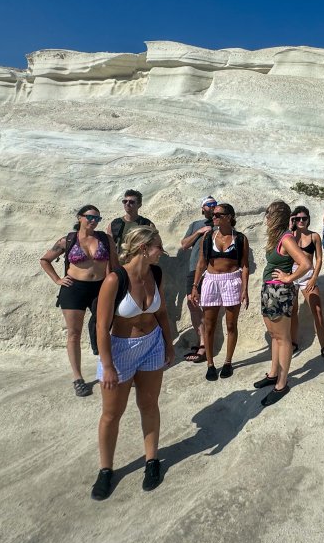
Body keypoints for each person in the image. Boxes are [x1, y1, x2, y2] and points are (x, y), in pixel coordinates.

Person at [90, 225, 176, 500]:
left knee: (149, 405)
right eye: (158, 247)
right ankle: (106, 470)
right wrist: (108, 365)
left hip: (152, 343)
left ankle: (152, 461)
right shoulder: (116, 279)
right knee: (112, 413)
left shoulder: (157, 273)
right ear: (143, 248)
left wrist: (169, 342)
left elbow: (161, 310)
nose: (161, 252)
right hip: (120, 350)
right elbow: (101, 328)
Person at [39, 205, 119, 397]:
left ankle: (109, 369)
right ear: (80, 218)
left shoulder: (105, 239)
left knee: (105, 327)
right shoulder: (68, 240)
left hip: (100, 287)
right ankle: (78, 378)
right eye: (90, 217)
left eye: (97, 219)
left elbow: (114, 264)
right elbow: (45, 260)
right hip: (73, 288)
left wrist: (115, 283)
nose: (93, 221)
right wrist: (58, 279)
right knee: (74, 333)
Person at [254, 201, 315, 406]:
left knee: (283, 337)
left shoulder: (286, 238)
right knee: (274, 336)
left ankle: (281, 383)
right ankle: (273, 373)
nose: (266, 217)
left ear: (277, 216)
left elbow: (306, 264)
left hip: (280, 292)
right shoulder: (276, 237)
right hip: (269, 290)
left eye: (268, 214)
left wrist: (289, 278)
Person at [189, 203, 249, 380]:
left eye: (217, 215)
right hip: (211, 281)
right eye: (213, 215)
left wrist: (245, 288)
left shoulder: (240, 238)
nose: (213, 217)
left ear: (229, 216)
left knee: (231, 325)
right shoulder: (208, 236)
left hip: (232, 280)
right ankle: (210, 364)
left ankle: (228, 362)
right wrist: (195, 286)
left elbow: (244, 265)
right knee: (209, 325)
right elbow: (201, 263)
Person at [288, 205, 324, 361]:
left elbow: (319, 258)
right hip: (292, 274)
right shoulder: (289, 236)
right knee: (292, 311)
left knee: (317, 310)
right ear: (293, 219)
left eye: (304, 218)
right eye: (297, 218)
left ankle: (323, 346)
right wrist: (289, 227)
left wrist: (315, 276)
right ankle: (294, 342)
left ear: (308, 219)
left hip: (308, 275)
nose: (301, 221)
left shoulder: (314, 236)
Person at [180, 196, 217, 362]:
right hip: (194, 268)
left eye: (214, 204)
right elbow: (184, 245)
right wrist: (198, 233)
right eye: (208, 204)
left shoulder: (220, 223)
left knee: (207, 304)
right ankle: (201, 341)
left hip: (212, 269)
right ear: (203, 209)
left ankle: (205, 345)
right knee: (192, 303)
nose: (212, 206)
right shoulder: (195, 225)